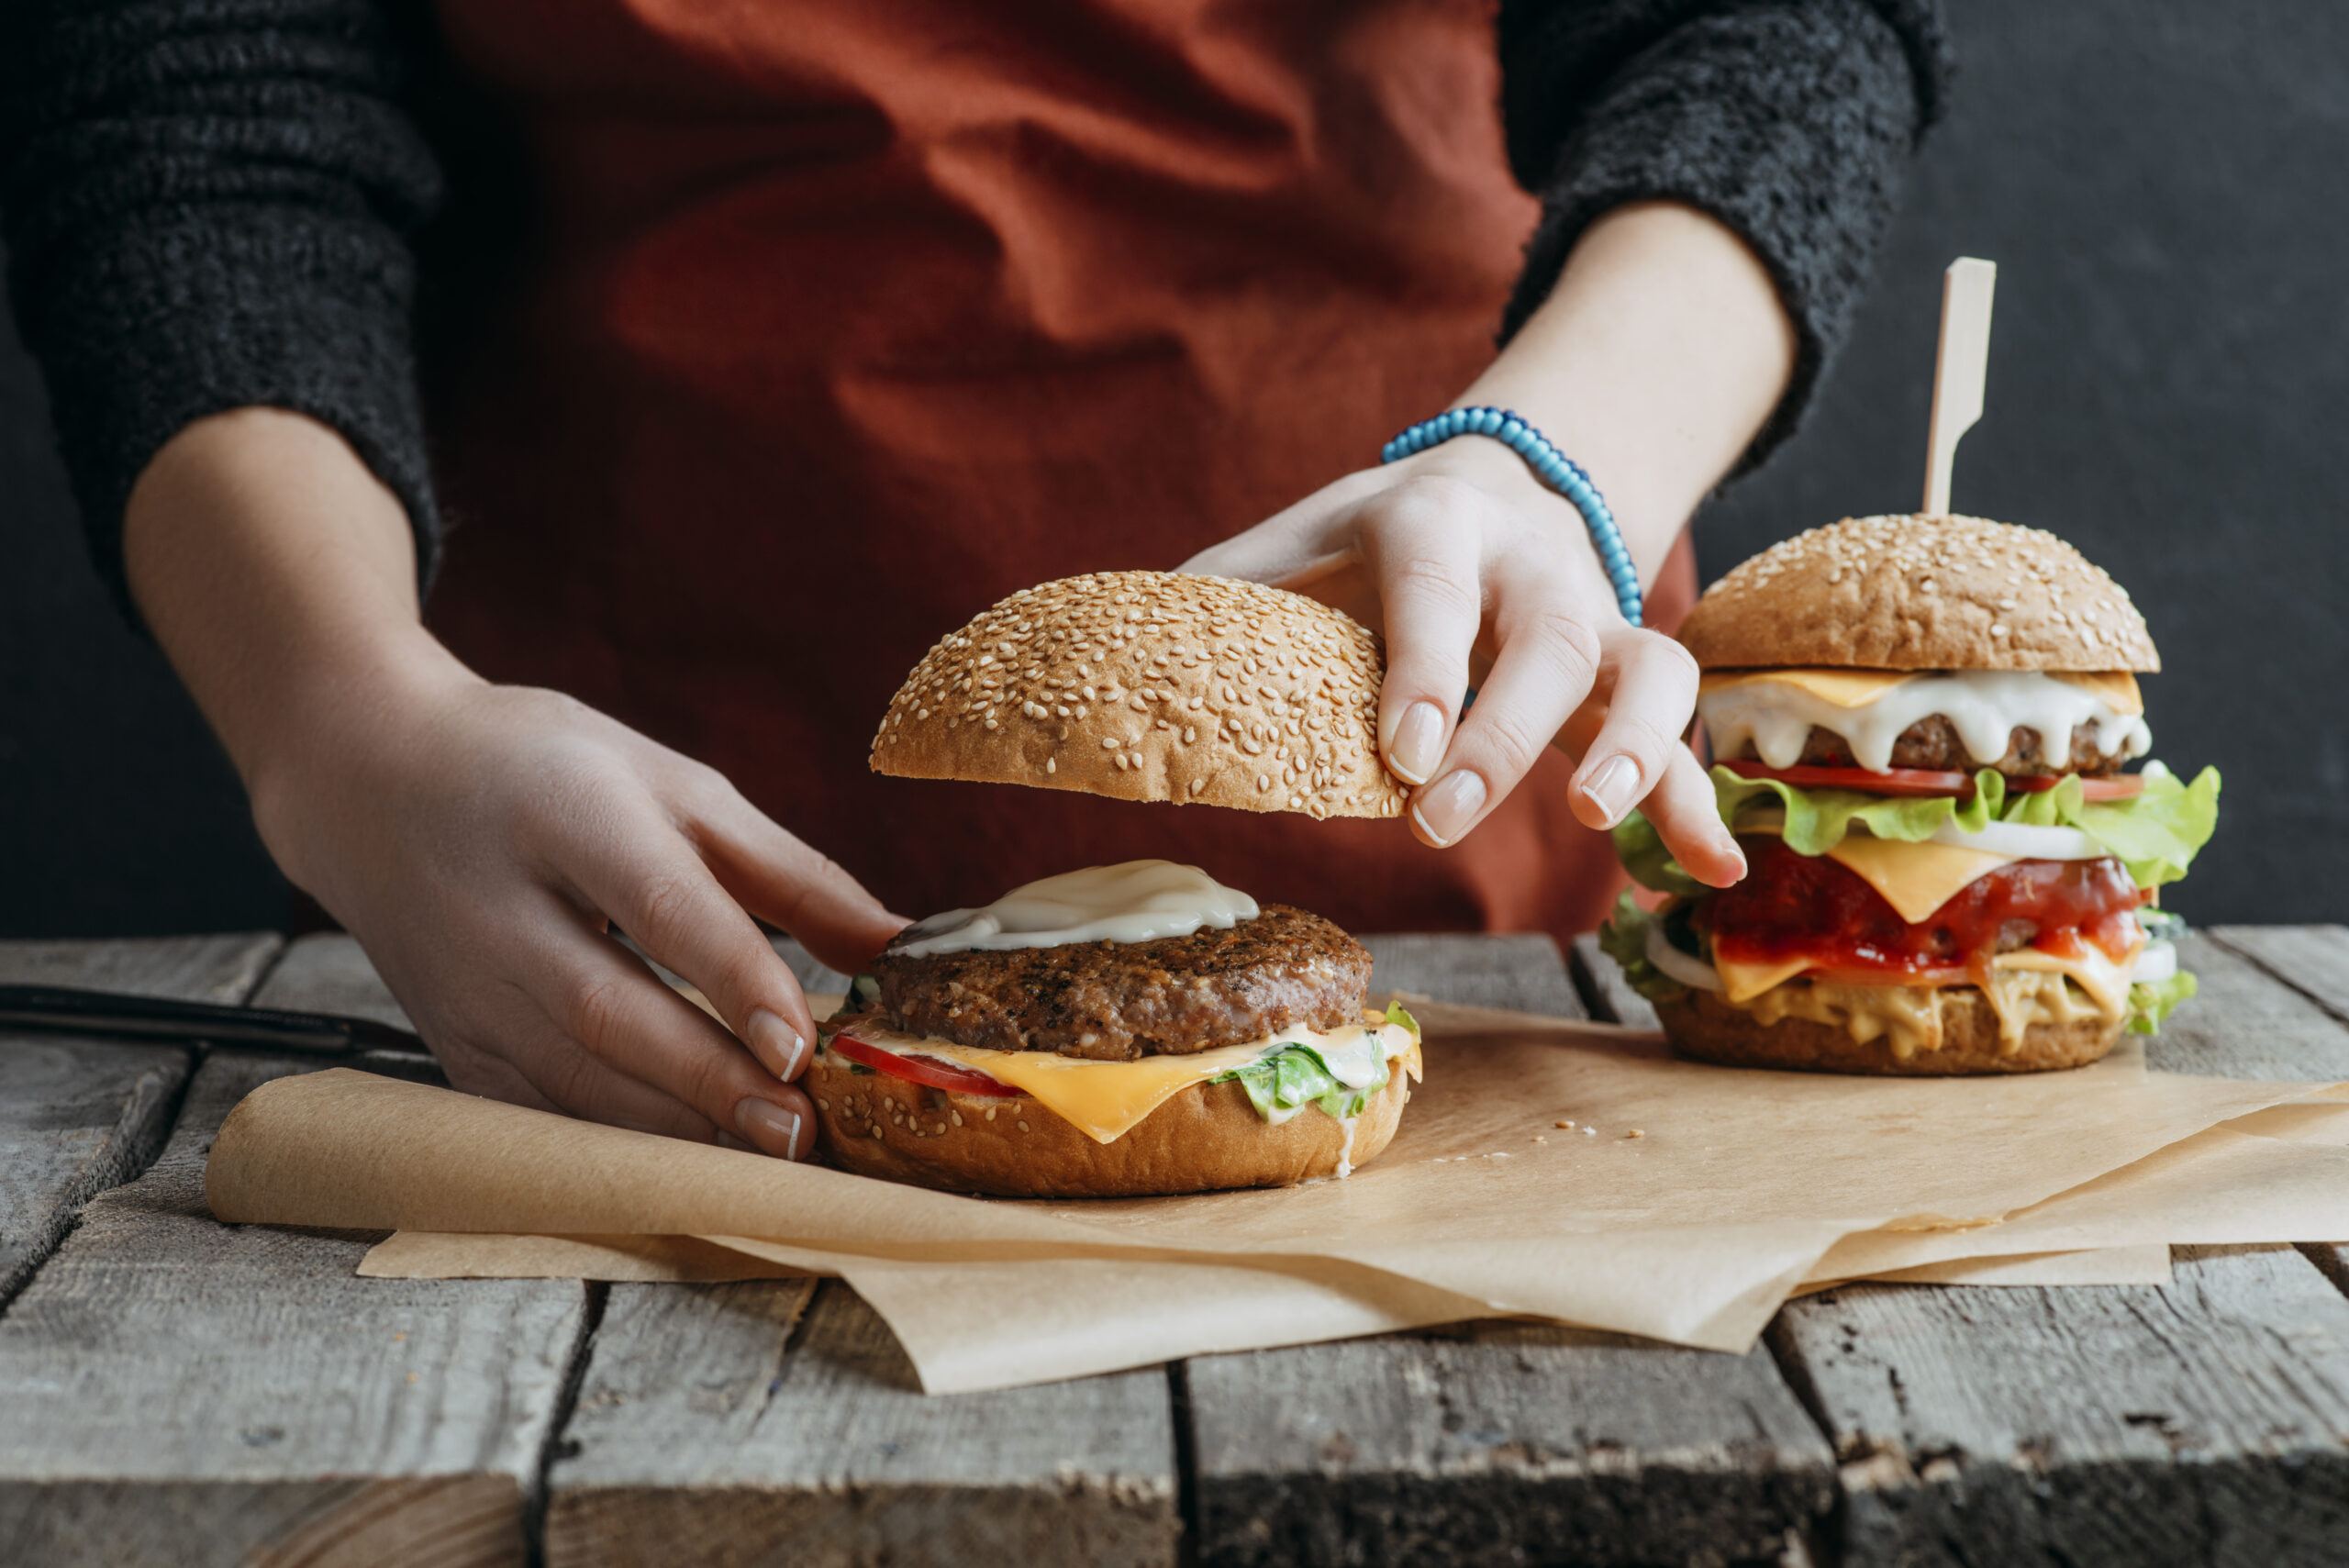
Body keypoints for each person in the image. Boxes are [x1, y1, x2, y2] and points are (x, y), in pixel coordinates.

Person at [2, 0, 1949, 1157]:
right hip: (580, 861)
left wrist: (1557, 466)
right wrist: (341, 717)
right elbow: (197, 123)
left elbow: (1763, 24)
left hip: (1446, 692)